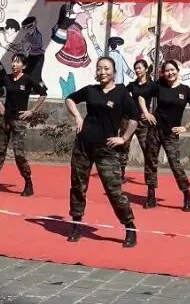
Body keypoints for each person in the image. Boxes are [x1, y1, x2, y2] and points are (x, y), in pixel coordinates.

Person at [64, 56, 140, 248]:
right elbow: (70, 99)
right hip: (83, 146)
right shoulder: (91, 90)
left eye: (106, 68)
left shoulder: (122, 93)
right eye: (99, 68)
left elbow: (134, 118)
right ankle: (76, 225)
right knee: (78, 187)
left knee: (114, 191)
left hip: (107, 150)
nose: (102, 72)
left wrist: (124, 138)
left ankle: (130, 227)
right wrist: (78, 117)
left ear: (114, 72)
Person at [137, 60, 190, 211]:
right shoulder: (159, 85)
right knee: (150, 162)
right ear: (163, 73)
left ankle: (187, 195)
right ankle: (151, 195)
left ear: (177, 70)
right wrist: (146, 113)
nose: (170, 73)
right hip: (155, 130)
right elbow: (141, 96)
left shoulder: (185, 90)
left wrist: (186, 127)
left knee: (175, 164)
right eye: (167, 71)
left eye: (172, 70)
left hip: (171, 133)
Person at [0, 54, 47, 195]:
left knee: (19, 154)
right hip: (5, 119)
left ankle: (28, 183)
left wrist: (32, 111)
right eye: (13, 62)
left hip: (19, 121)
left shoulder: (28, 79)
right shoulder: (6, 78)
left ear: (23, 66)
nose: (14, 65)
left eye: (17, 62)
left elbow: (43, 94)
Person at [123, 58, 158, 183]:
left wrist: (151, 114)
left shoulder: (153, 85)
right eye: (136, 68)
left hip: (144, 123)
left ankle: (150, 181)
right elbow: (122, 96)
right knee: (123, 147)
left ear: (146, 69)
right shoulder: (132, 85)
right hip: (129, 121)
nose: (137, 70)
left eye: (139, 68)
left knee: (148, 150)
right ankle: (120, 176)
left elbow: (163, 100)